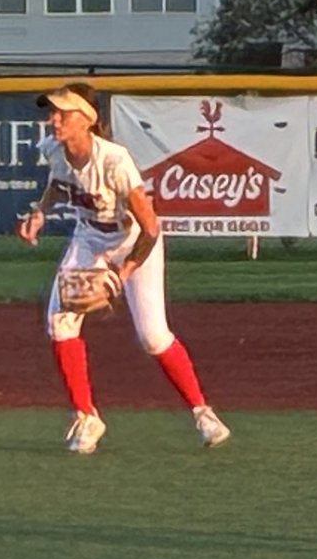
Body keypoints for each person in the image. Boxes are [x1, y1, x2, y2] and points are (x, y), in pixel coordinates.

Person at [17, 81, 231, 454]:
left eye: (63, 113)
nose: (54, 119)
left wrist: (124, 272)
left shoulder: (114, 162)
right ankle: (87, 417)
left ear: (86, 119)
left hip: (134, 244)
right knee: (59, 322)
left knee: (153, 337)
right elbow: (58, 184)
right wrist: (40, 213)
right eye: (52, 112)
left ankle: (203, 414)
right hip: (89, 239)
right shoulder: (53, 149)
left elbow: (150, 227)